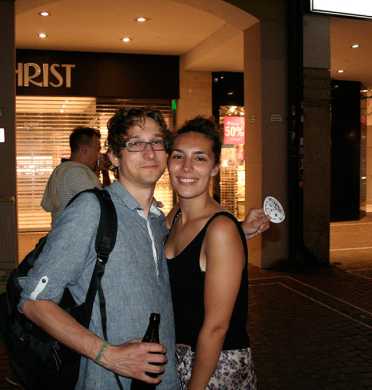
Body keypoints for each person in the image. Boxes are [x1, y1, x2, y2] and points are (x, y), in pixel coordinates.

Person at [19, 107, 269, 390]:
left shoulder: (159, 221)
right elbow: (33, 301)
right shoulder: (92, 210)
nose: (149, 153)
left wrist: (236, 233)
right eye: (136, 143)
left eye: (157, 142)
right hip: (110, 381)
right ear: (114, 156)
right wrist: (107, 354)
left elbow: (196, 252)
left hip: (168, 380)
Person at [164, 116, 257, 389]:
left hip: (214, 365)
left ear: (215, 168)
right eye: (178, 156)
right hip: (177, 356)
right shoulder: (175, 216)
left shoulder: (221, 230)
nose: (186, 167)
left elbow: (217, 328)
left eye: (200, 158)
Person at [40, 127, 111, 225]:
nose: (99, 155)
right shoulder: (73, 172)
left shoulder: (71, 170)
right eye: (97, 150)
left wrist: (100, 174)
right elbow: (105, 204)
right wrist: (105, 172)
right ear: (85, 149)